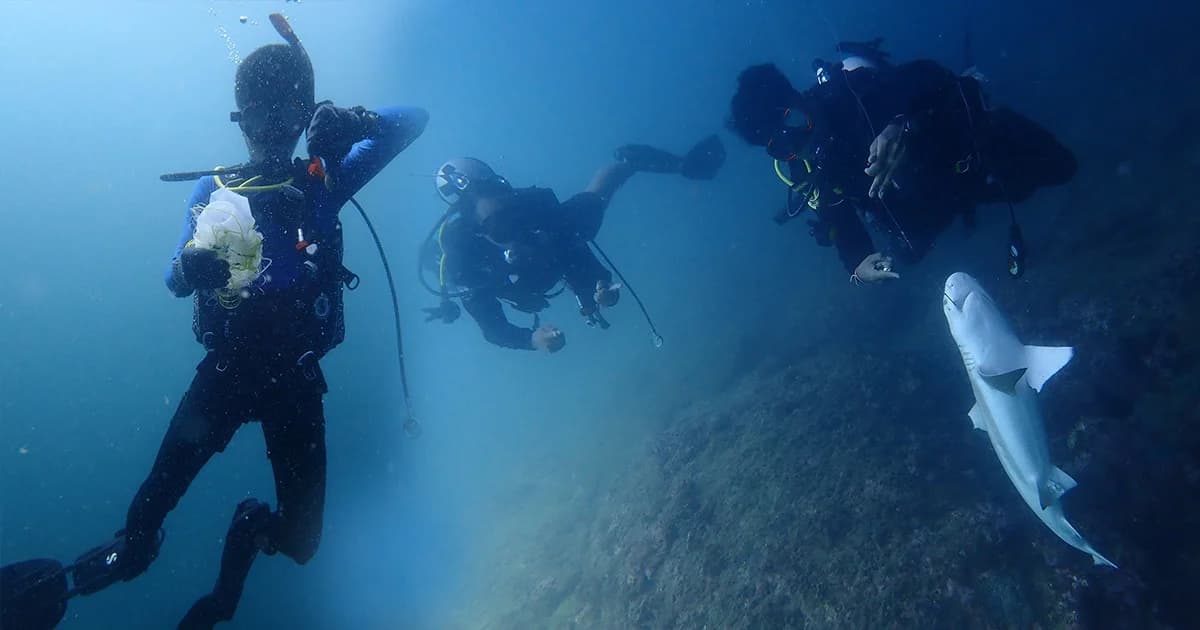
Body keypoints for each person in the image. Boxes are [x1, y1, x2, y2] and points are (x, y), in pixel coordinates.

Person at [0, 14, 426, 630]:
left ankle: (234, 569)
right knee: (141, 529)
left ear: (304, 117)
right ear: (241, 120)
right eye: (258, 118)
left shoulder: (325, 181)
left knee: (301, 543)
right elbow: (173, 277)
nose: (270, 131)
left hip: (296, 383)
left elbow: (413, 120)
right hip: (224, 373)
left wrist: (357, 121)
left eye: (285, 118)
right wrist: (190, 270)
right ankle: (78, 576)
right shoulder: (213, 187)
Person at [726, 38, 1076, 284]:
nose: (797, 144)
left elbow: (929, 75)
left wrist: (903, 125)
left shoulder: (852, 94)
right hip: (925, 199)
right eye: (779, 146)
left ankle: (994, 125)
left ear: (799, 98)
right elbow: (835, 213)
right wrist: (857, 262)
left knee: (1059, 169)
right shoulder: (804, 164)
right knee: (908, 253)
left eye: (792, 121)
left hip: (961, 158)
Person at [420, 136, 724, 352]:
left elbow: (576, 251)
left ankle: (632, 162)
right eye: (499, 227)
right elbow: (491, 326)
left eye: (513, 216)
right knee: (594, 200)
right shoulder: (464, 258)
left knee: (599, 194)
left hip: (554, 245)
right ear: (475, 229)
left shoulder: (534, 209)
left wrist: (598, 284)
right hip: (523, 282)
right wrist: (531, 339)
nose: (515, 232)